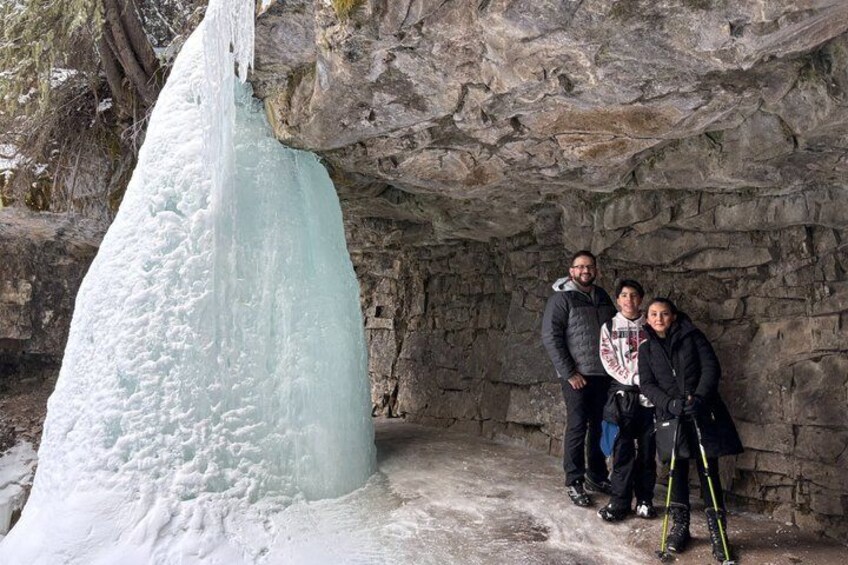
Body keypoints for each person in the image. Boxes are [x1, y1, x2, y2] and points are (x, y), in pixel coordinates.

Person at [638, 298, 743, 562]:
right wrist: (669, 403)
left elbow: (711, 368)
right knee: (676, 471)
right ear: (647, 318)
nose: (659, 318)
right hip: (671, 415)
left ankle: (718, 533)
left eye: (664, 313)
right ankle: (680, 528)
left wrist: (699, 398)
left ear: (673, 316)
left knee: (709, 471)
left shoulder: (693, 337)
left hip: (701, 411)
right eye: (653, 314)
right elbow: (647, 384)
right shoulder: (646, 349)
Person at [541, 250, 616, 507]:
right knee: (577, 426)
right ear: (571, 271)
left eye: (590, 266)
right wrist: (569, 372)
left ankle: (597, 475)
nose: (586, 270)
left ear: (596, 270)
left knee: (599, 426)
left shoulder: (602, 296)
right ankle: (574, 480)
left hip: (602, 373)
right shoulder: (561, 299)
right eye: (580, 266)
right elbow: (551, 337)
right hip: (577, 375)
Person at [596, 279, 656, 522]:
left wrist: (648, 382)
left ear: (640, 299)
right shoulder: (609, 327)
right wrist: (632, 378)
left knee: (647, 452)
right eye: (624, 295)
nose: (629, 300)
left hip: (650, 397)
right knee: (622, 451)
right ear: (617, 299)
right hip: (622, 396)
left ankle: (644, 500)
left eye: (633, 295)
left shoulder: (650, 326)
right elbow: (607, 359)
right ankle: (620, 501)